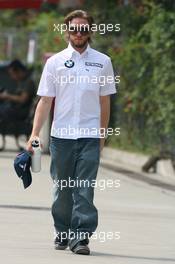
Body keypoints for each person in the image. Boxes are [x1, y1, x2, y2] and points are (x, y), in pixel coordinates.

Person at [27, 10, 116, 255]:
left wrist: (102, 135)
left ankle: (80, 238)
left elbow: (105, 102)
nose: (79, 33)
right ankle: (63, 231)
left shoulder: (103, 62)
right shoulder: (54, 62)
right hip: (61, 138)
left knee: (84, 188)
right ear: (67, 31)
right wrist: (35, 133)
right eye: (74, 29)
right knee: (63, 189)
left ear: (90, 32)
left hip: (89, 136)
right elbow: (45, 101)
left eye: (84, 29)